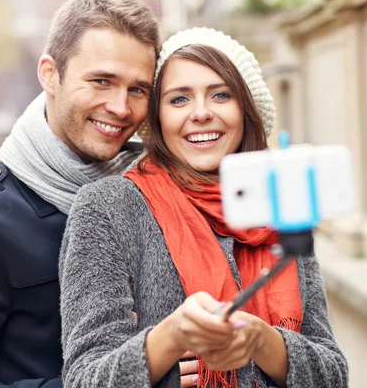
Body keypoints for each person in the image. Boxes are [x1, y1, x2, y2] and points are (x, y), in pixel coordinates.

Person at [0, 0, 203, 388]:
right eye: (101, 81)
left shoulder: (161, 188)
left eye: (137, 89)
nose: (121, 108)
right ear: (50, 74)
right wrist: (131, 378)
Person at [59, 27, 349, 388]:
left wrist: (263, 341)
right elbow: (85, 378)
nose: (200, 113)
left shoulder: (281, 201)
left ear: (246, 109)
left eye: (221, 95)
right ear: (158, 118)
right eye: (179, 99)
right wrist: (169, 337)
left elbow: (334, 373)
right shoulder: (110, 207)